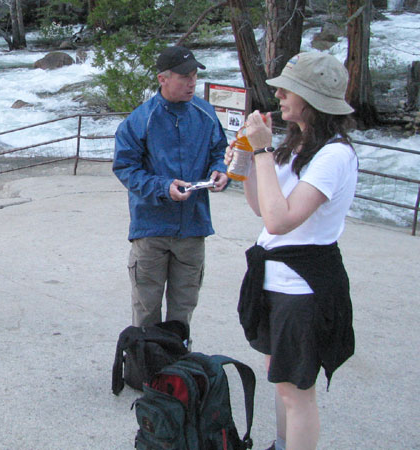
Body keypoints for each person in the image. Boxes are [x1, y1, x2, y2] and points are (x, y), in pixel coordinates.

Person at [232, 52, 357, 450]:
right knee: (279, 376)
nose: (280, 95)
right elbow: (262, 208)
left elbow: (279, 221)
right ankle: (282, 444)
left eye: (289, 90)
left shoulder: (334, 155)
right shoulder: (298, 144)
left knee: (296, 391)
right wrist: (250, 155)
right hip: (278, 279)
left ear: (312, 99)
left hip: (304, 287)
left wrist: (265, 151)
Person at [113, 46, 229, 330]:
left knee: (183, 311)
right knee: (146, 310)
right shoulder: (140, 119)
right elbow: (125, 168)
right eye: (184, 77)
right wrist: (164, 187)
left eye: (194, 76)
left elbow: (220, 152)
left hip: (193, 228)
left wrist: (221, 171)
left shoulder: (206, 113)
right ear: (162, 79)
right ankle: (146, 371)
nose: (192, 83)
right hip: (151, 230)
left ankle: (177, 369)